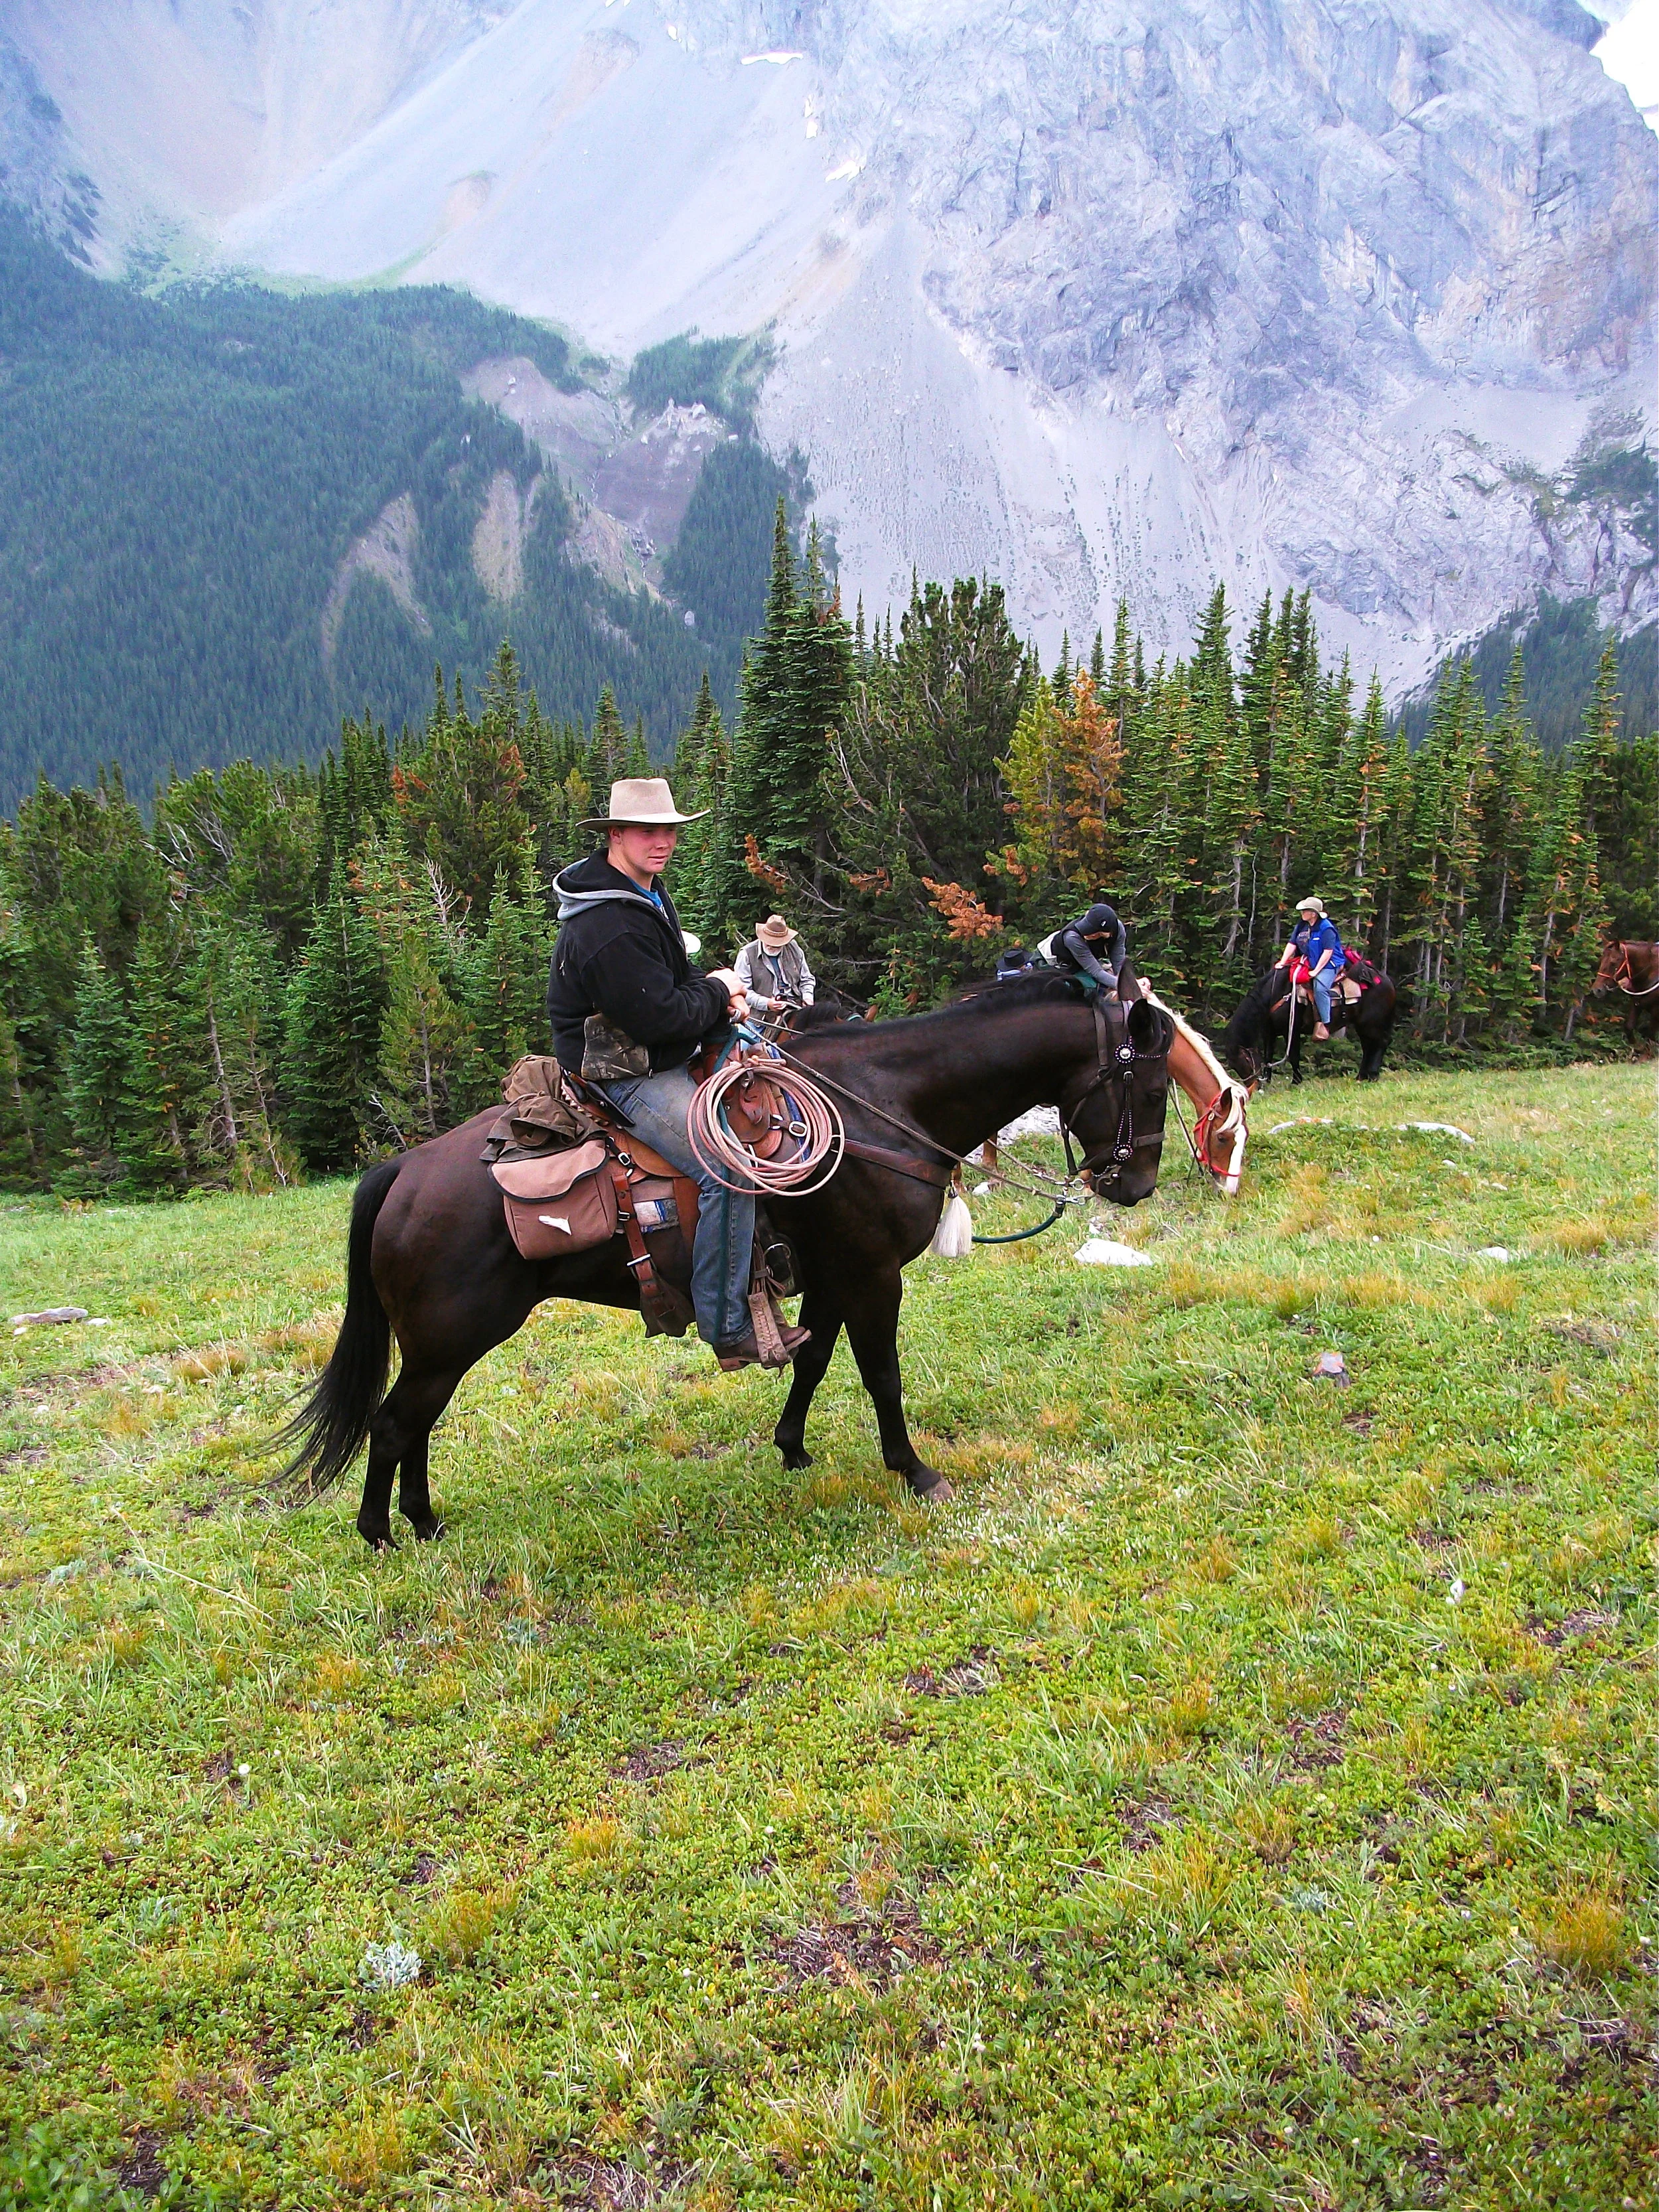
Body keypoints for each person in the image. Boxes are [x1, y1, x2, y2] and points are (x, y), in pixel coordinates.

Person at [547, 778, 808, 1371]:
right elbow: (660, 1016)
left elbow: (676, 979)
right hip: (620, 1068)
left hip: (652, 1045)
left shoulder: (643, 891)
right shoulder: (607, 925)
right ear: (616, 835)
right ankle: (728, 1324)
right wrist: (719, 990)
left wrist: (715, 990)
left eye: (668, 830)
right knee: (724, 1166)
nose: (661, 841)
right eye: (647, 830)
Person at [1277, 894, 1344, 1039]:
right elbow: (1292, 943)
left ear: (1313, 914)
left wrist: (1316, 972)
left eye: (1305, 910)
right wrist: (1282, 961)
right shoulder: (1302, 925)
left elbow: (1328, 952)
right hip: (1310, 960)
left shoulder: (1327, 929)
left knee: (1320, 988)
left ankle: (1325, 1024)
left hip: (1329, 963)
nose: (1302, 913)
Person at [1036, 901, 1129, 992]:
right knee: (1088, 989)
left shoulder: (1118, 929)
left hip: (1081, 958)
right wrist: (1124, 987)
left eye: (1093, 930)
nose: (1086, 932)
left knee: (1109, 979)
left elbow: (1119, 963)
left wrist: (1128, 982)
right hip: (1052, 960)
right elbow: (1096, 972)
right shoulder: (1071, 937)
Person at [734, 914, 817, 1014]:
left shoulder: (794, 949)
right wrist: (767, 1003)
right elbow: (742, 992)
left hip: (795, 1007)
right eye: (768, 942)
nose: (771, 946)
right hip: (759, 1015)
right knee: (743, 1030)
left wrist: (808, 998)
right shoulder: (746, 954)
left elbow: (807, 979)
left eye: (777, 945)